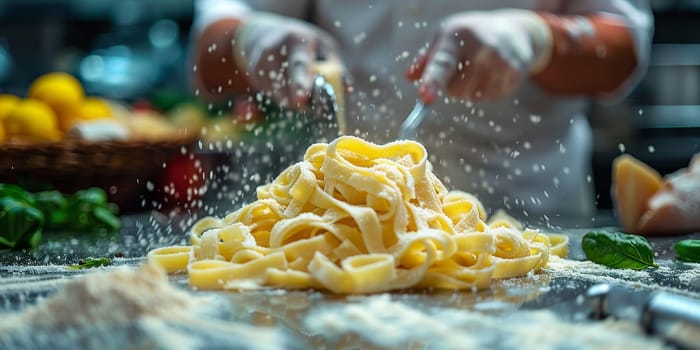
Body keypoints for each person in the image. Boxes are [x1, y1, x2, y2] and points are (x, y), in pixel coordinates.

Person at [189, 0, 654, 226]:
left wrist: (537, 39)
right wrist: (247, 39)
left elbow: (625, 50)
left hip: (534, 216)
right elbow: (206, 62)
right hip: (340, 222)